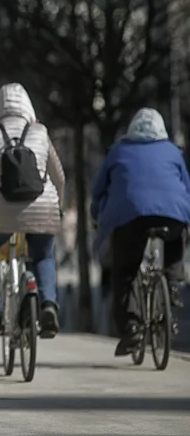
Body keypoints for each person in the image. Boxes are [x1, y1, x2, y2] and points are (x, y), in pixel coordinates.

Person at [0, 83, 65, 338]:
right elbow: (58, 176)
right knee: (43, 255)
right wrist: (58, 207)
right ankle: (48, 304)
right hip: (42, 210)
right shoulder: (40, 131)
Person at [90, 107, 190, 355]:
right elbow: (186, 187)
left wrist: (97, 216)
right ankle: (173, 285)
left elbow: (98, 191)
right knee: (176, 239)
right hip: (173, 214)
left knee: (124, 274)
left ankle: (132, 328)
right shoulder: (172, 151)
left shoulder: (118, 151)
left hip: (130, 217)